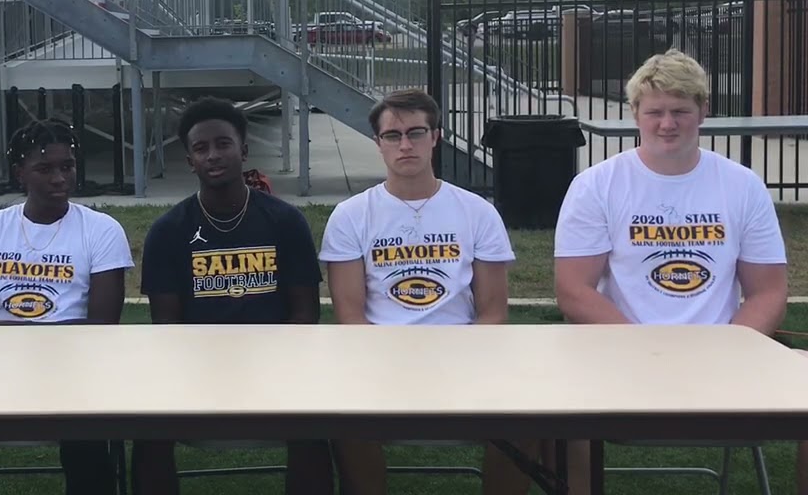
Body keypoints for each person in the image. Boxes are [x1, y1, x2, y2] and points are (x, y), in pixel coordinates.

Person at [554, 48, 788, 494]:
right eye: (655, 112)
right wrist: (647, 351)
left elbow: (768, 291)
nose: (667, 124)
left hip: (722, 359)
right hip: (620, 356)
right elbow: (573, 291)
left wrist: (732, 350)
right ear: (635, 114)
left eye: (680, 111)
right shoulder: (596, 185)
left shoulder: (742, 185)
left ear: (703, 111)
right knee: (556, 408)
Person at [318, 88, 535, 495]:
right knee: (345, 414)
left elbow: (492, 314)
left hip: (464, 357)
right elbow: (350, 317)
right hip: (378, 359)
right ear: (378, 142)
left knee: (528, 415)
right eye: (393, 135)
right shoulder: (351, 216)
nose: (405, 145)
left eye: (416, 133)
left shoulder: (477, 212)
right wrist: (391, 364)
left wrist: (455, 360)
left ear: (436, 137)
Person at [133, 96, 333, 495]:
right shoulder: (168, 231)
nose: (212, 155)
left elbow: (305, 317)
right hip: (196, 370)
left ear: (243, 150)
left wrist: (270, 366)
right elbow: (167, 327)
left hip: (277, 367)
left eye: (223, 144)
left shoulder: (285, 221)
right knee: (147, 429)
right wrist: (208, 368)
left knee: (312, 426)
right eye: (200, 148)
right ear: (190, 160)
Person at [0, 118, 133, 495]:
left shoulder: (102, 230)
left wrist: (10, 331)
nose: (59, 178)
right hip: (0, 369)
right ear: (20, 173)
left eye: (67, 167)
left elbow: (103, 327)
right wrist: (23, 340)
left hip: (77, 369)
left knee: (85, 436)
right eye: (45, 169)